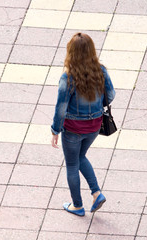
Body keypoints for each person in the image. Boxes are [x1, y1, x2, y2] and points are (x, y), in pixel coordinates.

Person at [51, 32, 115, 216]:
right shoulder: (100, 71)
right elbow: (110, 95)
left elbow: (61, 107)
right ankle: (96, 193)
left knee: (72, 164)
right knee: (81, 157)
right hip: (95, 126)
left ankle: (77, 205)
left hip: (73, 130)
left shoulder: (68, 78)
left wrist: (55, 129)